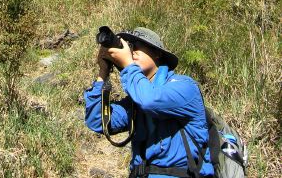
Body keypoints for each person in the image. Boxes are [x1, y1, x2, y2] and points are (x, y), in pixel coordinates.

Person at [84, 27, 214, 178]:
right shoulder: (135, 101)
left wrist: (128, 65)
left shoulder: (185, 87)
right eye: (128, 45)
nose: (131, 51)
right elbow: (96, 121)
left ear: (158, 53)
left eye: (136, 45)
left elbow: (150, 100)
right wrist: (103, 72)